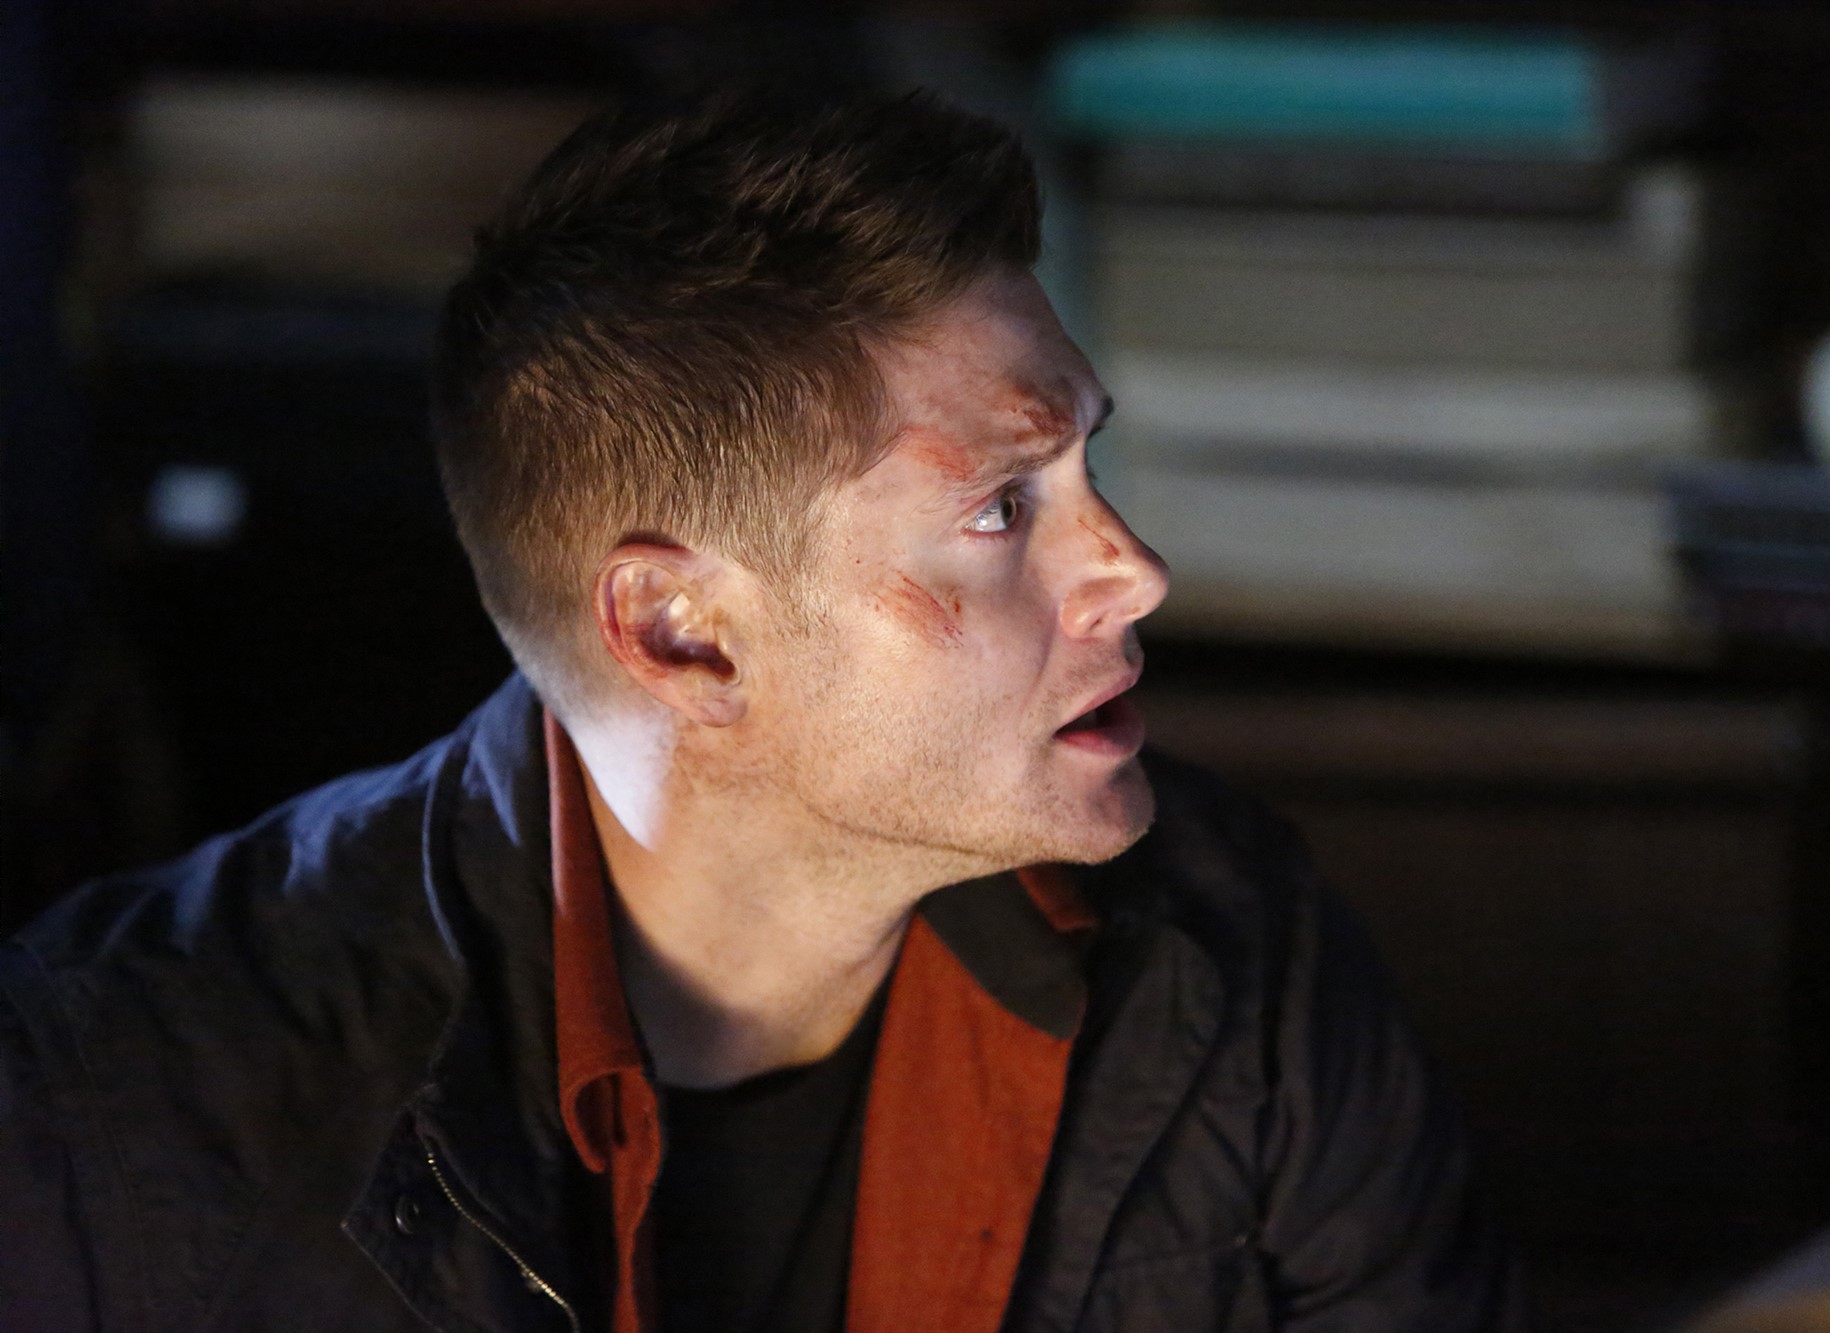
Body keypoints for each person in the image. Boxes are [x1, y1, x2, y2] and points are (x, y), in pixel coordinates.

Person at [0, 89, 1519, 1332]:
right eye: (1002, 508)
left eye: (1086, 471)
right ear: (684, 637)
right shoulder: (105, 1100)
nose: (1134, 571)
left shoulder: (1234, 948)